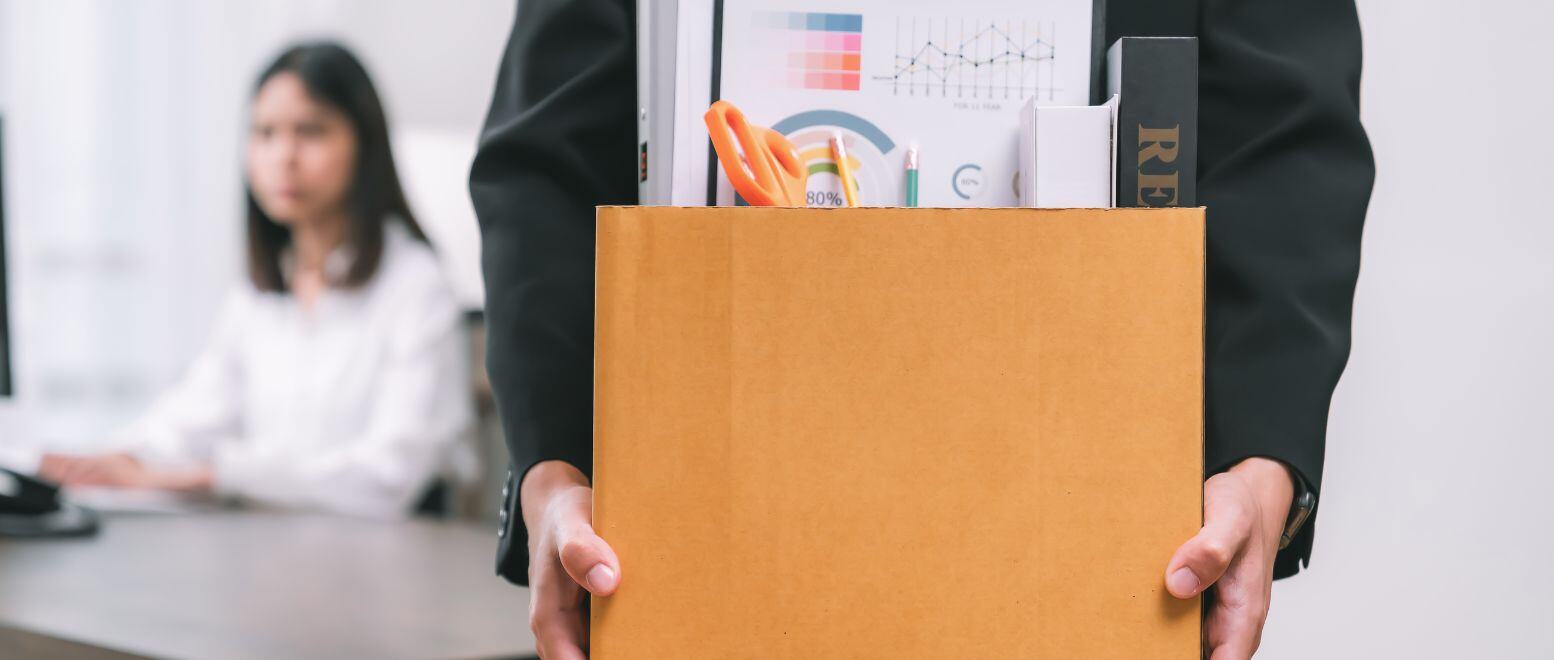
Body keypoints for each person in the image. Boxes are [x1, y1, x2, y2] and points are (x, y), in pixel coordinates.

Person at [471, 0, 1374, 657]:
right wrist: (557, 471)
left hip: (1103, 552)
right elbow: (550, 147)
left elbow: (1288, 135)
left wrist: (1264, 466)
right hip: (703, 544)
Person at [40, 41, 470, 519]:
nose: (283, 155)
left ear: (363, 145)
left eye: (310, 131)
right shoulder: (263, 287)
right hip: (272, 555)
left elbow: (390, 476)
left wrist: (215, 475)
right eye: (265, 133)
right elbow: (198, 411)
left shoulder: (416, 285)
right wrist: (115, 459)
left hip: (386, 565)